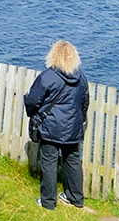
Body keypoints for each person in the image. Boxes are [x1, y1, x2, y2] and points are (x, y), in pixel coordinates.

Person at [24, 40, 90, 211]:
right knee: (73, 161)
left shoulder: (48, 76)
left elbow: (32, 101)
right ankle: (76, 198)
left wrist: (34, 114)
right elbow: (84, 103)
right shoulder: (81, 77)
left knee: (49, 162)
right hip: (73, 128)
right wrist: (77, 120)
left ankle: (48, 201)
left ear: (54, 55)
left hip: (51, 127)